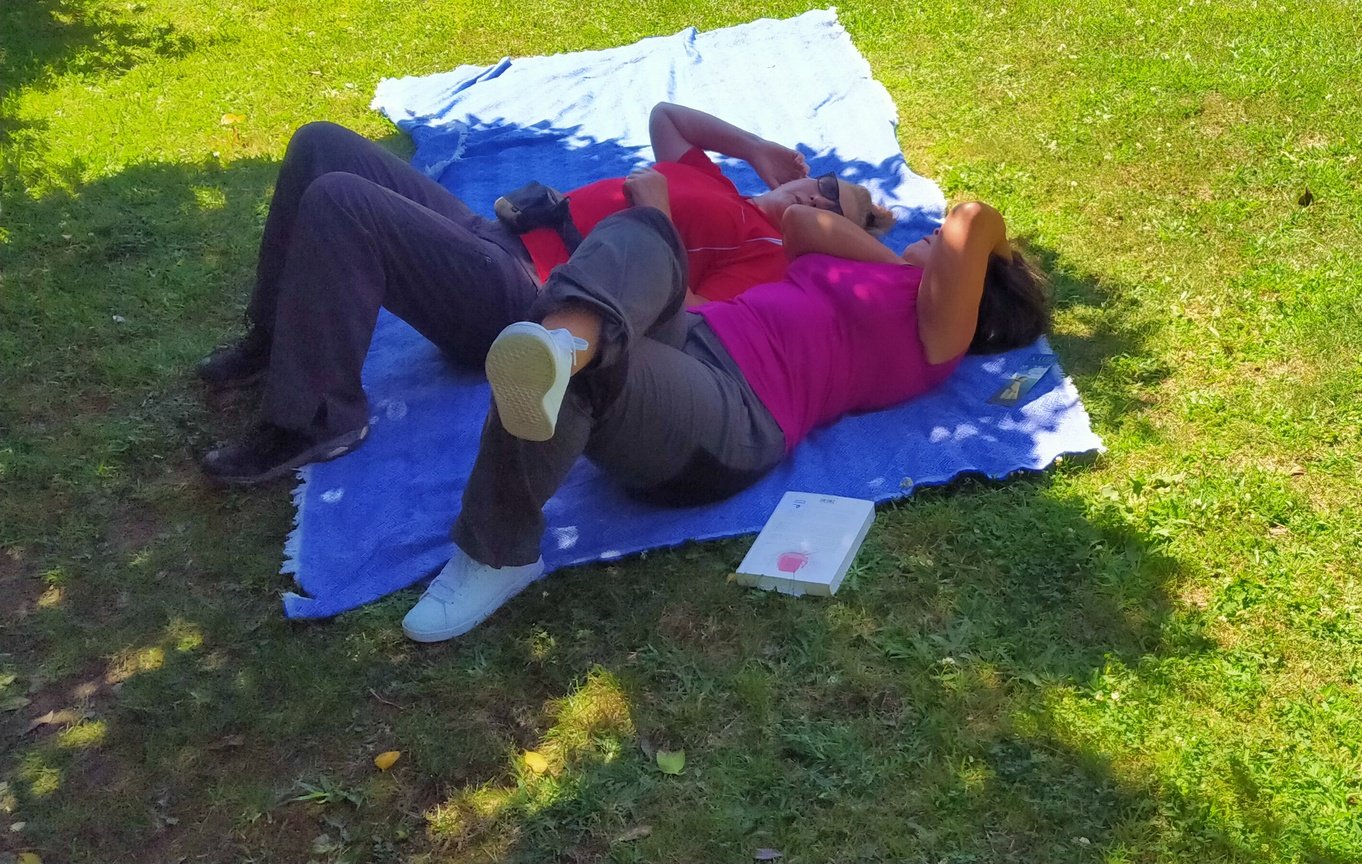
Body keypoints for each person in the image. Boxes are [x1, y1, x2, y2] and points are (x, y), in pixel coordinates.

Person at [398, 190, 1049, 642]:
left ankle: (497, 552)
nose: (932, 231)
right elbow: (800, 223)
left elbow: (972, 216)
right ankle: (564, 347)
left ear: (979, 290)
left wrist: (996, 253)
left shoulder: (941, 337)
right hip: (696, 336)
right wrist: (901, 262)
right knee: (645, 229)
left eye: (948, 249)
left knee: (593, 376)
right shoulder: (889, 280)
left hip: (736, 412)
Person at [197, 103, 892, 485]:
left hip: (529, 294)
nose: (819, 196)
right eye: (828, 182)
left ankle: (318, 415)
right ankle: (277, 339)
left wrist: (656, 220)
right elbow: (667, 118)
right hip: (498, 238)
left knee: (342, 201)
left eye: (838, 209)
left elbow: (683, 321)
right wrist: (757, 147)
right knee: (321, 144)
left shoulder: (766, 254)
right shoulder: (721, 184)